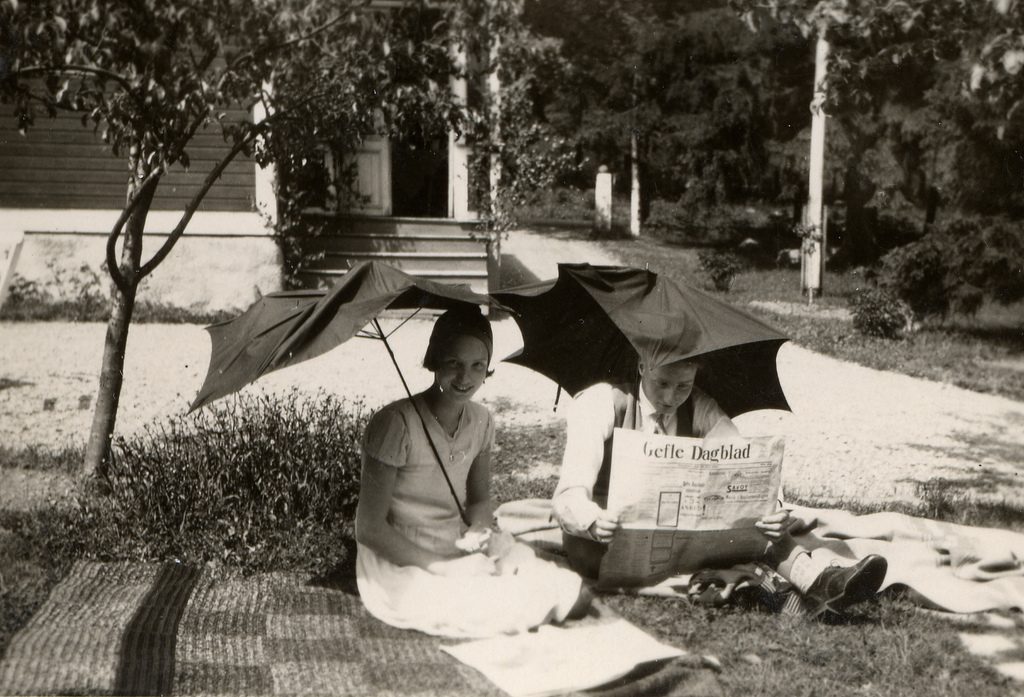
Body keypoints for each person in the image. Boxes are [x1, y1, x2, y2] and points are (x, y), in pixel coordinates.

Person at [552, 355, 888, 618]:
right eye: (662, 383)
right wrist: (593, 521)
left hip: (680, 533)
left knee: (761, 523)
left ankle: (821, 582)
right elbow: (570, 493)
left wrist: (773, 510)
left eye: (683, 385)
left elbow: (748, 466)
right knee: (594, 550)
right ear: (642, 365)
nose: (671, 397)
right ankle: (763, 587)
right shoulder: (600, 403)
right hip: (609, 538)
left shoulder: (700, 406)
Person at [355, 306, 590, 638]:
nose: (465, 378)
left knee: (571, 594)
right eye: (454, 364)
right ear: (435, 360)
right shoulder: (395, 424)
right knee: (501, 605)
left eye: (477, 366)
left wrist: (479, 529)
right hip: (404, 554)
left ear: (487, 368)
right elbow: (369, 528)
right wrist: (445, 568)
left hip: (458, 542)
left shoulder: (481, 420)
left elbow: (479, 499)